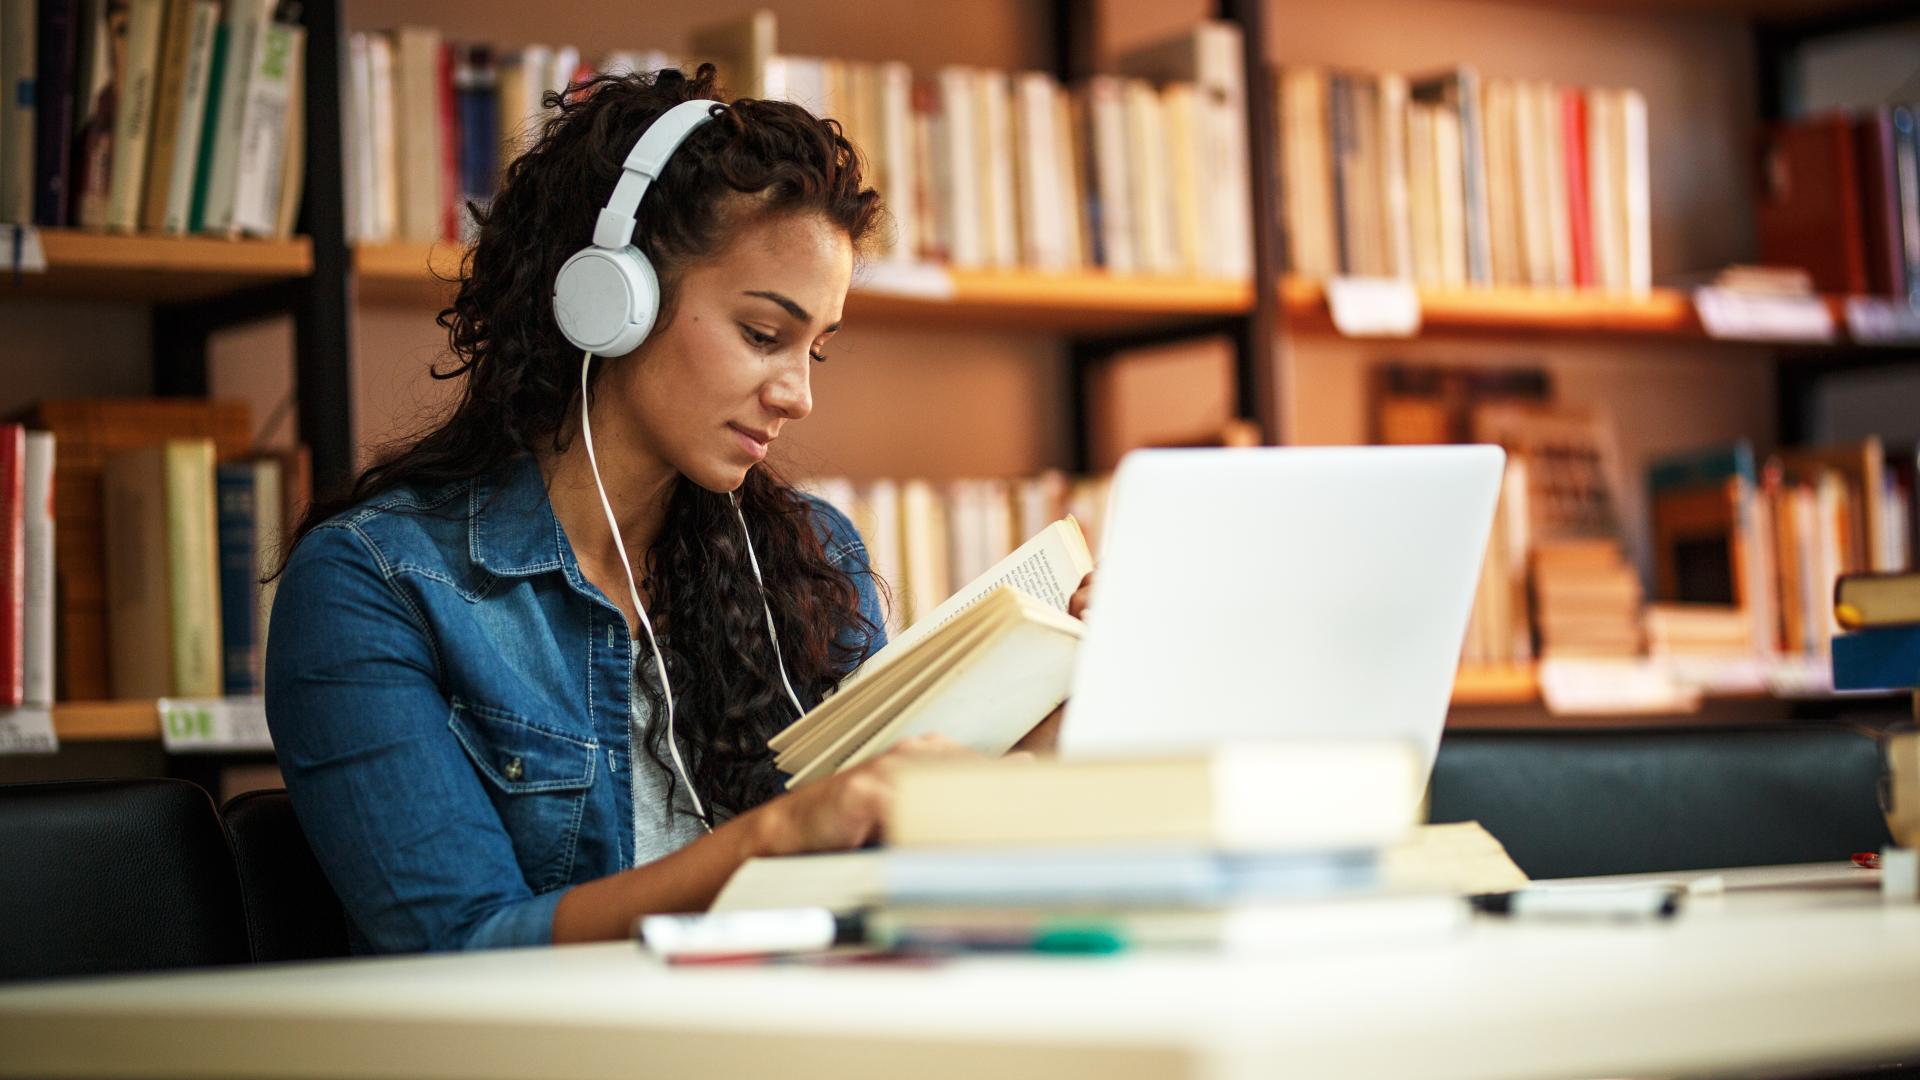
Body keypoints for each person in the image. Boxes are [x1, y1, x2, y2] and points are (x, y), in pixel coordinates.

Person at [265, 66, 1087, 954]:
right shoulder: (374, 586)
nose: (799, 395)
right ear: (611, 301)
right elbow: (460, 948)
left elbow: (873, 877)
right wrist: (774, 835)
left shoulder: (810, 560)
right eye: (763, 335)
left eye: (818, 348)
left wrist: (1040, 734)